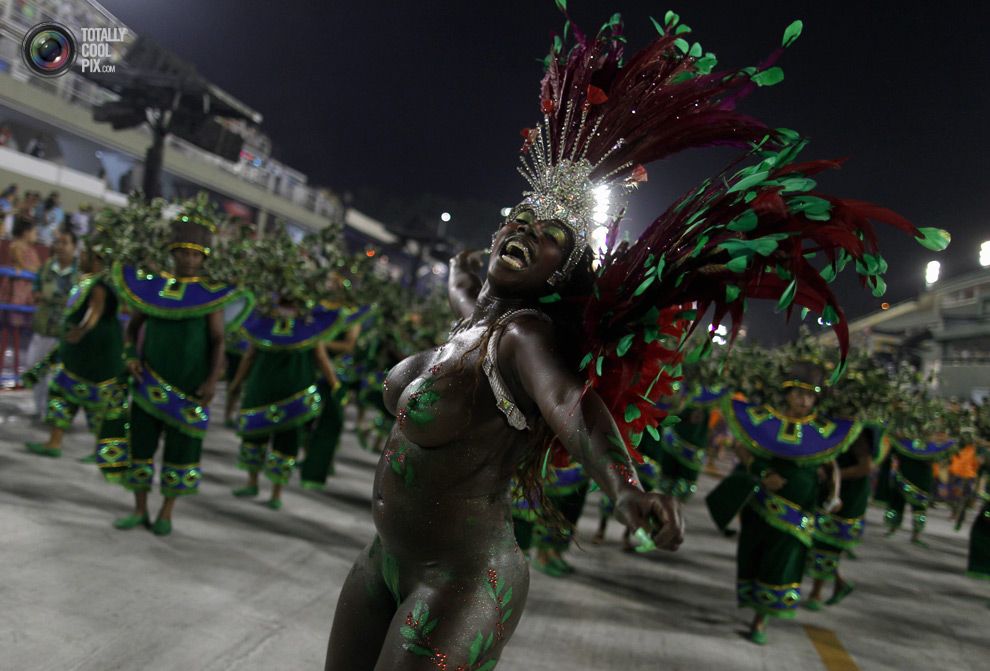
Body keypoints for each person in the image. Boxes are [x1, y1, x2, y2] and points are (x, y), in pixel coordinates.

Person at [323, 8, 940, 667]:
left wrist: (625, 487)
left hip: (460, 580)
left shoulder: (520, 335)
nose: (527, 233)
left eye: (549, 240)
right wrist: (467, 274)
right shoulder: (470, 319)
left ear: (554, 278)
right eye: (522, 222)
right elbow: (468, 276)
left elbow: (569, 402)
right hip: (381, 558)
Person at [112, 197, 251, 536]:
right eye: (183, 253)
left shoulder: (209, 296)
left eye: (195, 255)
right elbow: (132, 325)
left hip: (190, 390)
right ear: (172, 253)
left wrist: (212, 380)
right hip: (148, 384)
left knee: (182, 453)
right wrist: (130, 355)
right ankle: (139, 509)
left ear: (204, 258)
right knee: (140, 448)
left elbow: (219, 341)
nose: (188, 260)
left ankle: (166, 512)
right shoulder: (153, 288)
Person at [710, 363, 859, 644]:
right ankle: (755, 608)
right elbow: (743, 447)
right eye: (798, 394)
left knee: (781, 564)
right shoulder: (766, 420)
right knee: (753, 557)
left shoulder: (821, 431)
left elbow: (831, 465)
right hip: (760, 506)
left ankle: (760, 621)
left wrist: (834, 494)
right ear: (787, 394)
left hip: (798, 512)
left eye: (810, 396)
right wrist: (763, 474)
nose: (803, 401)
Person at [25, 229, 127, 476]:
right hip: (80, 351)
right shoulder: (86, 279)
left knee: (97, 402)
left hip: (97, 351)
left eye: (85, 255)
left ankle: (101, 451)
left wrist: (81, 331)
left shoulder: (100, 283)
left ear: (96, 259)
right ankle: (54, 442)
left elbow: (95, 311)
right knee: (64, 393)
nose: (80, 258)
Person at [228, 300, 347, 509]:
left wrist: (237, 384)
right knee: (275, 441)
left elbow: (320, 357)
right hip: (278, 395)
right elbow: (321, 359)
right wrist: (335, 385)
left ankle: (261, 486)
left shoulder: (288, 325)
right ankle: (268, 489)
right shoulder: (303, 326)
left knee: (269, 440)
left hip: (274, 394)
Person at [24, 226, 79, 419]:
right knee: (34, 367)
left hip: (64, 333)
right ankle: (40, 409)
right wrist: (39, 294)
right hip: (43, 327)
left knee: (56, 376)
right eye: (58, 242)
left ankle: (54, 415)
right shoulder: (47, 266)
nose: (60, 246)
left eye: (65, 243)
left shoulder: (80, 273)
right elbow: (37, 286)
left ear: (74, 247)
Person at [0, 217, 41, 383]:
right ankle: (9, 371)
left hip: (26, 295)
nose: (36, 235)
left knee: (16, 336)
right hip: (15, 294)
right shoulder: (16, 246)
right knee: (7, 334)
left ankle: (17, 374)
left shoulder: (31, 250)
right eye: (34, 232)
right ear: (26, 232)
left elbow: (37, 267)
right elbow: (25, 265)